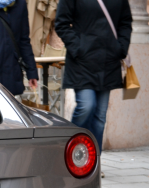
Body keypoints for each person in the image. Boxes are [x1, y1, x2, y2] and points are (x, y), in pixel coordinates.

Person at [55, 0, 132, 153]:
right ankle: (72, 154)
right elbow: (61, 23)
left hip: (108, 60)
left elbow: (125, 22)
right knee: (86, 106)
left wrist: (120, 47)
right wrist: (78, 47)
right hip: (82, 62)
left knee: (100, 117)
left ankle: (93, 161)